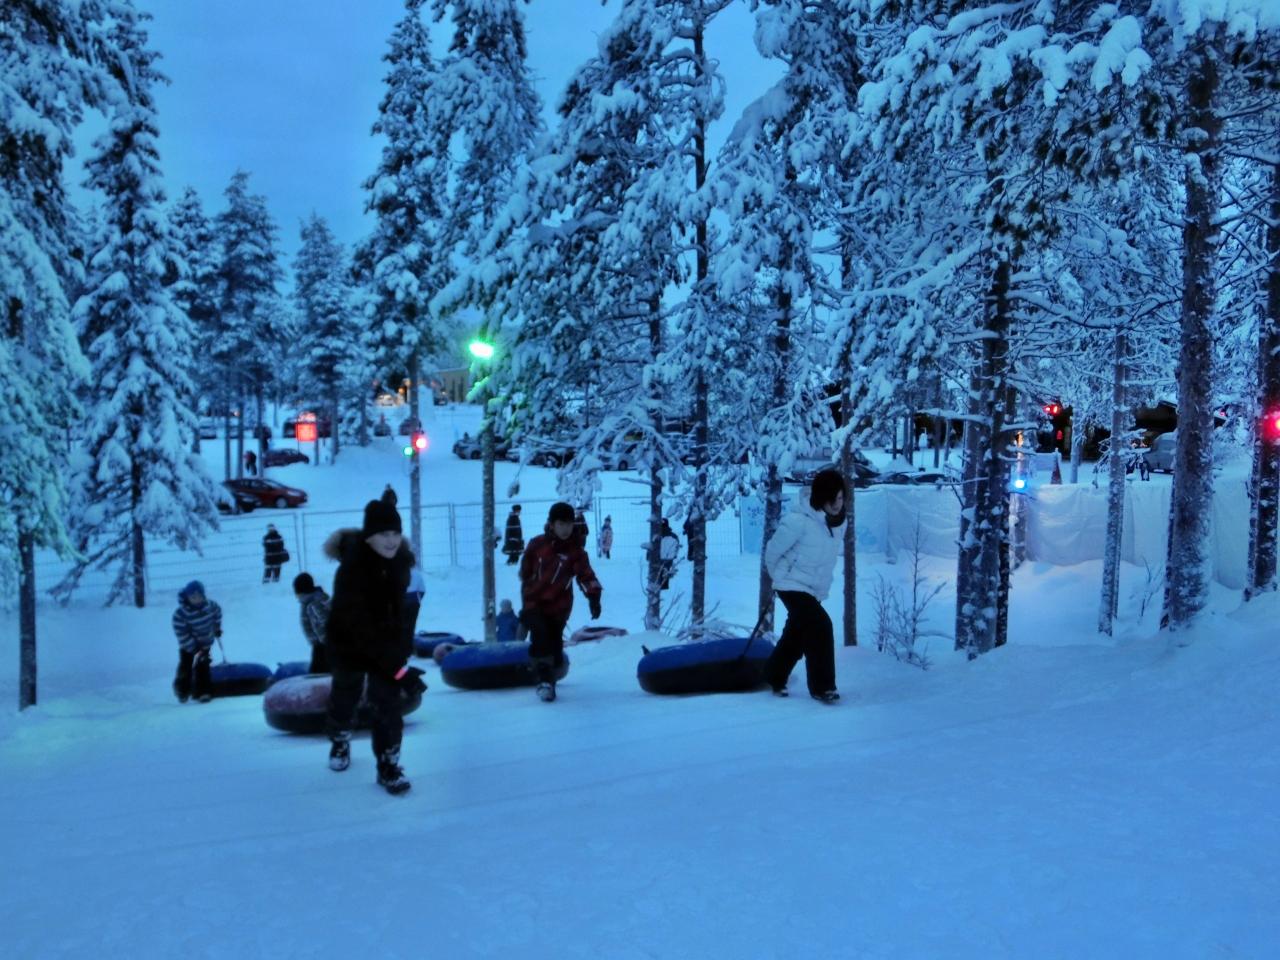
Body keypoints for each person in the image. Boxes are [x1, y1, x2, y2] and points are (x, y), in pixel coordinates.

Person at [322, 495, 425, 795]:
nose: (391, 541)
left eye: (395, 533)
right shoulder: (351, 569)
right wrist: (397, 668)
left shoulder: (400, 564)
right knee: (346, 695)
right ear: (369, 536)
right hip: (349, 644)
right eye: (383, 534)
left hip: (385, 645)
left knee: (388, 704)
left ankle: (388, 765)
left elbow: (400, 613)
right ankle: (340, 740)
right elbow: (358, 625)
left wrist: (400, 656)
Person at [762, 469, 846, 704]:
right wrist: (780, 578)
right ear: (820, 497)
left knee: (797, 633)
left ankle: (774, 675)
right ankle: (823, 687)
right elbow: (772, 551)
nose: (837, 504)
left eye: (841, 498)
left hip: (812, 589)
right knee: (820, 625)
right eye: (832, 498)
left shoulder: (839, 523)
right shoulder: (798, 521)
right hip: (791, 585)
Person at [519, 501, 603, 702]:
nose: (566, 529)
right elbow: (525, 571)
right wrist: (530, 591)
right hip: (535, 602)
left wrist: (594, 596)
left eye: (569, 524)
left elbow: (586, 575)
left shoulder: (576, 552)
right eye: (561, 524)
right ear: (551, 524)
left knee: (554, 645)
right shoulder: (537, 545)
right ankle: (545, 682)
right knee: (540, 636)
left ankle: (550, 669)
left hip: (559, 607)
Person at [172, 580, 222, 703]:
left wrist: (216, 627)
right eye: (193, 597)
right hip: (188, 646)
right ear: (187, 597)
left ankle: (203, 692)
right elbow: (182, 633)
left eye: (199, 596)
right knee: (186, 666)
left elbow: (217, 612)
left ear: (203, 595)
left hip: (205, 644)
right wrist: (194, 647)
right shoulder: (181, 614)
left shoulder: (210, 606)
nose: (196, 599)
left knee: (203, 666)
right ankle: (182, 691)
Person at [293, 572, 331, 674]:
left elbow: (325, 624)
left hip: (323, 646)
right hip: (321, 644)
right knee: (319, 671)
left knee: (319, 673)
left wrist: (327, 642)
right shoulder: (309, 601)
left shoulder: (313, 604)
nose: (296, 595)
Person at [404, 554, 425, 646]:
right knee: (412, 624)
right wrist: (418, 599)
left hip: (401, 602)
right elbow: (422, 590)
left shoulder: (398, 573)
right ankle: (410, 643)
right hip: (414, 602)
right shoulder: (417, 574)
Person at [657, 519, 679, 590]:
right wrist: (674, 556)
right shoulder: (674, 536)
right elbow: (676, 548)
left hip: (658, 559)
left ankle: (658, 587)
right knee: (665, 571)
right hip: (669, 560)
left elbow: (652, 548)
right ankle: (664, 585)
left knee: (657, 575)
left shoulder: (657, 536)